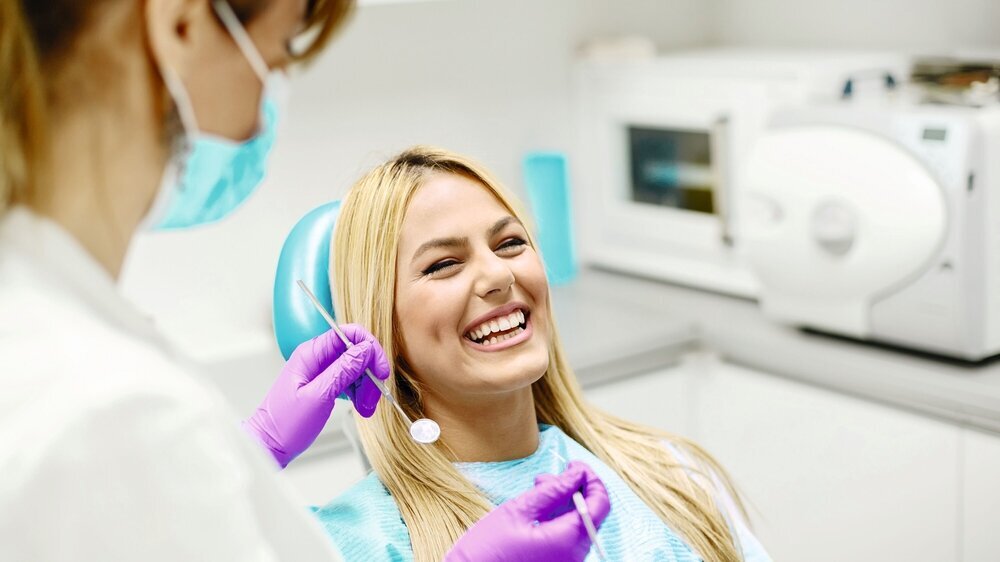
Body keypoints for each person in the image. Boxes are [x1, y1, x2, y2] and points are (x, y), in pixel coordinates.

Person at [0, 1, 608, 560]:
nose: (268, 101)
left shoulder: (56, 339)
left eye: (510, 243)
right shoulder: (109, 411)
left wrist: (254, 446)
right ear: (182, 23)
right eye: (282, 48)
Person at [313, 146, 774, 562]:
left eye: (510, 243)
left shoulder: (670, 476)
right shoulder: (349, 543)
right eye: (444, 264)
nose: (499, 275)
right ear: (382, 325)